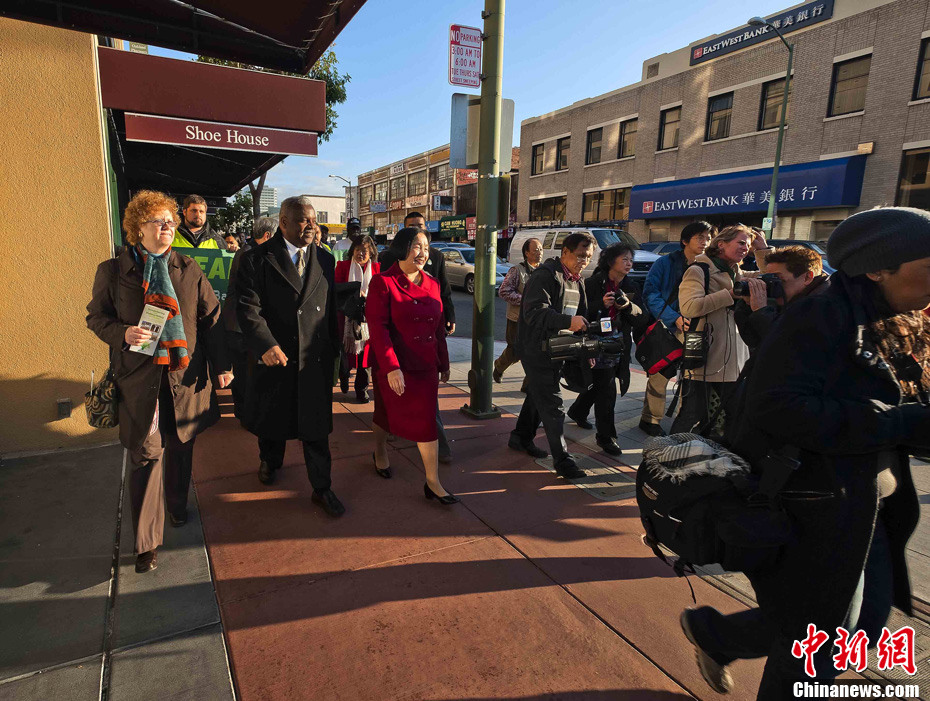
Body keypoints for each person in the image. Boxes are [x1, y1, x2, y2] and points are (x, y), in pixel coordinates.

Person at [680, 207, 930, 699]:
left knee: (860, 625)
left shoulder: (898, 320)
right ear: (878, 268)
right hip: (814, 505)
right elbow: (775, 407)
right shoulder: (822, 314)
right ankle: (719, 636)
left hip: (869, 504)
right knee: (817, 642)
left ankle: (718, 635)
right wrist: (901, 422)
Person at [87, 190, 232, 574]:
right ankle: (146, 543)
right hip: (140, 379)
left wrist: (223, 365)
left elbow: (212, 318)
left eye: (170, 220)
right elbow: (96, 317)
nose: (167, 226)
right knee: (146, 454)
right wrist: (122, 334)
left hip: (183, 376)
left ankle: (177, 505)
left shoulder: (188, 268)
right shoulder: (114, 271)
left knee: (181, 445)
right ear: (138, 227)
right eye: (158, 221)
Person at [236, 195, 345, 517]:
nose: (311, 226)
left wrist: (335, 354)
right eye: (303, 220)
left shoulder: (325, 259)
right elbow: (247, 307)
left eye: (313, 220)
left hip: (313, 359)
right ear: (283, 222)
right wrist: (266, 344)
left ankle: (322, 488)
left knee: (316, 430)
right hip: (276, 357)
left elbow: (329, 312)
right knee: (273, 419)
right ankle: (269, 461)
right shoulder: (256, 258)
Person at [366, 227, 458, 504]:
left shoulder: (433, 283)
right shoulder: (383, 282)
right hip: (394, 365)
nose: (422, 253)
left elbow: (438, 328)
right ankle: (379, 450)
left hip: (425, 364)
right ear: (402, 247)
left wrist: (443, 361)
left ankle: (433, 482)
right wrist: (391, 367)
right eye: (417, 246)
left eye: (426, 248)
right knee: (384, 414)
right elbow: (378, 328)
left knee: (427, 421)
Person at [508, 232, 595, 479]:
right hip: (536, 350)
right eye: (580, 255)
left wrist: (586, 348)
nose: (584, 261)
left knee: (538, 395)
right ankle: (563, 461)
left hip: (559, 349)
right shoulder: (544, 276)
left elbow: (582, 317)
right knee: (553, 403)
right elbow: (534, 313)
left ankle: (520, 437)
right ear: (565, 252)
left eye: (588, 257)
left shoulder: (577, 280)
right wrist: (568, 321)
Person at [671, 224, 769, 439]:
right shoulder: (699, 269)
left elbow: (770, 274)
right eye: (741, 242)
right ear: (721, 244)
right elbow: (689, 307)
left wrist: (762, 248)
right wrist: (730, 295)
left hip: (734, 360)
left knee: (735, 412)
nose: (746, 248)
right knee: (692, 414)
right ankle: (669, 452)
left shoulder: (736, 272)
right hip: (706, 357)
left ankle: (720, 452)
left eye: (748, 244)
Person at [380, 212, 456, 462]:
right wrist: (391, 365)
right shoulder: (388, 262)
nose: (422, 252)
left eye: (421, 228)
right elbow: (380, 323)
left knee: (428, 409)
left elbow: (444, 292)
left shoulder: (436, 260)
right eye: (412, 230)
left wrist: (449, 316)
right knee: (391, 406)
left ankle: (437, 456)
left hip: (425, 353)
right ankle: (384, 442)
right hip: (398, 351)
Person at [566, 243, 647, 455]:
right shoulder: (592, 283)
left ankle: (580, 413)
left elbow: (642, 317)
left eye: (631, 260)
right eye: (624, 259)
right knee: (605, 388)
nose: (629, 264)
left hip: (617, 344)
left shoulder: (631, 286)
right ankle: (604, 435)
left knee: (603, 385)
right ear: (611, 261)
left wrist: (627, 306)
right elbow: (579, 312)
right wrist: (601, 305)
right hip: (594, 343)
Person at [639, 221, 715, 436]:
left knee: (692, 375)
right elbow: (650, 293)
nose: (705, 242)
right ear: (684, 241)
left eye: (708, 238)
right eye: (700, 237)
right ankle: (650, 419)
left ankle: (684, 419)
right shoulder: (665, 263)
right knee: (660, 373)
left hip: (697, 329)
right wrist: (674, 318)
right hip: (669, 327)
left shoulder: (710, 266)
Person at [222, 216, 276, 417]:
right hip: (240, 324)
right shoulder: (250, 254)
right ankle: (244, 412)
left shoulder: (249, 251)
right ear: (267, 236)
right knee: (244, 372)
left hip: (241, 323)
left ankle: (246, 410)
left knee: (247, 372)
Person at [734, 245, 831, 354]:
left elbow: (787, 345)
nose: (772, 285)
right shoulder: (792, 299)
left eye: (778, 280)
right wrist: (747, 306)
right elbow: (755, 341)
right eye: (769, 279)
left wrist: (761, 311)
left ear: (807, 277)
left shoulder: (824, 307)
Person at [335, 235, 380, 403]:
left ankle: (362, 390)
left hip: (368, 319)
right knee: (345, 353)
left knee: (365, 356)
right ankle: (344, 375)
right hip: (346, 317)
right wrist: (354, 291)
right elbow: (336, 289)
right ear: (352, 251)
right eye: (358, 250)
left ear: (371, 252)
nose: (361, 253)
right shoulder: (343, 266)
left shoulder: (377, 268)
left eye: (365, 250)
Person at [493, 237, 543, 385]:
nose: (539, 253)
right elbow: (504, 291)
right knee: (514, 351)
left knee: (535, 352)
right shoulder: (517, 271)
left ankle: (528, 384)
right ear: (527, 253)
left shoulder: (544, 271)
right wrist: (526, 300)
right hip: (517, 319)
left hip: (537, 319)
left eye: (541, 249)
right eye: (536, 250)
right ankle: (499, 367)